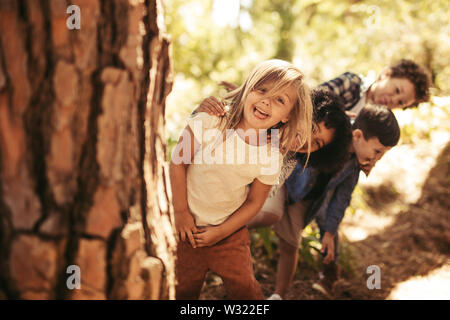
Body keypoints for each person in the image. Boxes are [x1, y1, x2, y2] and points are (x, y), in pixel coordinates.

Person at [169, 59, 313, 300]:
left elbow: (254, 203)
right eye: (262, 89)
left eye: (280, 100)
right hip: (186, 229)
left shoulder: (271, 154)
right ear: (248, 88)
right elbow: (177, 163)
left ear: (287, 116)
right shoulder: (210, 121)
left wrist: (221, 231)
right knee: (182, 290)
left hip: (229, 234)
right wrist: (181, 213)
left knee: (245, 289)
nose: (266, 100)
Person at [267, 104, 401, 299]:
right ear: (357, 136)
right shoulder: (333, 133)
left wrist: (329, 232)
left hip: (305, 199)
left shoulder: (354, 165)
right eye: (377, 152)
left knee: (290, 244)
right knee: (263, 214)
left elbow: (341, 198)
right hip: (285, 180)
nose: (377, 159)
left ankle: (278, 295)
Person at [319, 59, 431, 116]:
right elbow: (310, 101)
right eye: (397, 90)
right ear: (386, 74)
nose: (393, 100)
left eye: (400, 102)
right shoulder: (352, 83)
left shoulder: (377, 122)